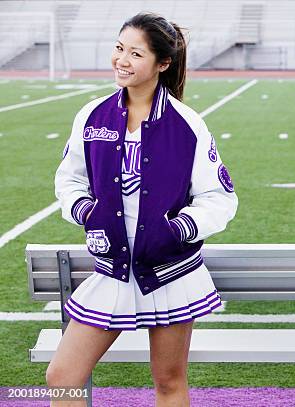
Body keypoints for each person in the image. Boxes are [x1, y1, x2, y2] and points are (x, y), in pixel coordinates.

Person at [47, 12, 238, 406]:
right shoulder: (92, 116)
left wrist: (178, 228)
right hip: (112, 270)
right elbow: (68, 180)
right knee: (62, 375)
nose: (122, 60)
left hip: (170, 273)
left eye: (136, 53)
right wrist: (85, 211)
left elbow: (220, 197)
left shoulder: (187, 124)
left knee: (168, 382)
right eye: (119, 49)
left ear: (162, 63)